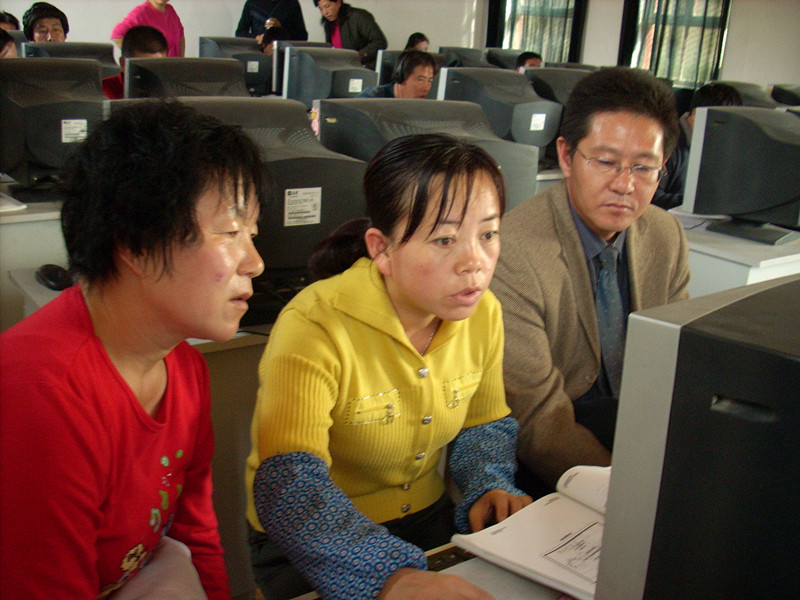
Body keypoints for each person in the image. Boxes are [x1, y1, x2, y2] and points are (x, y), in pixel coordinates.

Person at [0, 100, 268, 599]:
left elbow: (196, 535)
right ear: (136, 246)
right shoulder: (42, 397)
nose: (254, 262)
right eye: (230, 233)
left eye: (251, 234)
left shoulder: (183, 367)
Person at [245, 133, 532, 600]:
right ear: (381, 248)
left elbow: (483, 423)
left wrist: (488, 486)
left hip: (424, 520)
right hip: (313, 541)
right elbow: (291, 483)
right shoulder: (314, 323)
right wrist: (390, 576)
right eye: (445, 239)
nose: (474, 262)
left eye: (488, 234)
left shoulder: (484, 312)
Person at [491, 67, 691, 498]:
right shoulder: (513, 252)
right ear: (566, 156)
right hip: (555, 459)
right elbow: (538, 422)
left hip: (638, 436)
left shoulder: (666, 234)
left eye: (644, 167)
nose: (624, 185)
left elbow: (677, 367)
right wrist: (628, 495)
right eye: (605, 162)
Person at [652, 81, 743, 210]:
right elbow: (652, 197)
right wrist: (698, 202)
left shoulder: (710, 146)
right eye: (719, 122)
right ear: (696, 114)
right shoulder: (667, 143)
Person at [313, 0, 387, 70]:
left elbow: (379, 42)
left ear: (338, 2)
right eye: (321, 9)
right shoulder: (329, 23)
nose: (325, 12)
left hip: (364, 68)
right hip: (342, 68)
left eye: (327, 6)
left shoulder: (358, 16)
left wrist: (356, 56)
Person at [102, 25, 168, 99]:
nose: (151, 75)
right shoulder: (103, 92)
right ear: (123, 64)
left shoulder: (172, 89)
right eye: (143, 69)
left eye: (157, 67)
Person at [111, 0, 184, 57]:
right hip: (154, 69)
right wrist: (137, 58)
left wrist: (181, 61)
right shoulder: (140, 12)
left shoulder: (170, 10)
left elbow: (180, 35)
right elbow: (117, 35)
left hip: (172, 68)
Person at [357, 49, 437, 99]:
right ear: (401, 76)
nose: (426, 88)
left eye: (430, 81)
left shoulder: (424, 108)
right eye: (420, 80)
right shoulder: (371, 99)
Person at [236, 0, 307, 44]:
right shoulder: (252, 3)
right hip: (258, 52)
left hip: (283, 53)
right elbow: (240, 32)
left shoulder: (292, 3)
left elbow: (302, 36)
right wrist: (256, 38)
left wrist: (281, 29)